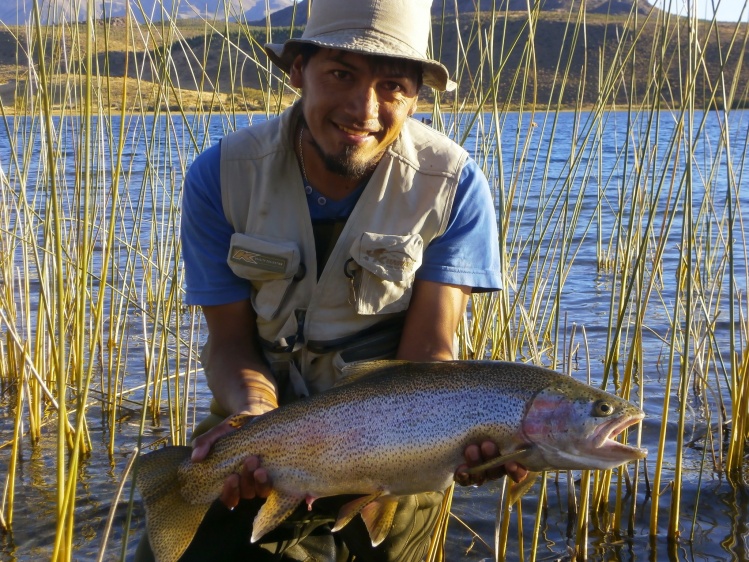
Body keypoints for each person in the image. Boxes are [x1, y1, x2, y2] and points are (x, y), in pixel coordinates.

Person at [135, 0, 525, 560]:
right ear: (298, 72)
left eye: (392, 85)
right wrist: (253, 418)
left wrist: (467, 440)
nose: (364, 108)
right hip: (260, 439)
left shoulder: (455, 187)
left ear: (416, 95)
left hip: (397, 453)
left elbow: (428, 356)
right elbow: (230, 343)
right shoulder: (220, 177)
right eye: (341, 74)